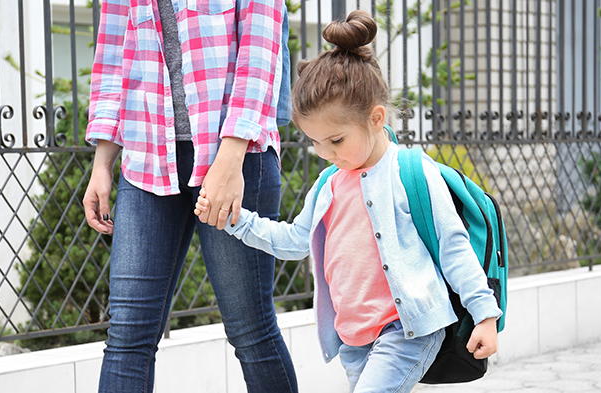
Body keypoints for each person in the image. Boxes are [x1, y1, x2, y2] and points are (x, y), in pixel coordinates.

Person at [195, 10, 502, 393]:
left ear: (375, 118)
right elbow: (294, 240)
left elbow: (453, 246)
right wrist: (236, 220)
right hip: (354, 339)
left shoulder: (410, 170)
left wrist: (485, 313)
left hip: (407, 331)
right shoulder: (329, 183)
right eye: (314, 142)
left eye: (336, 140)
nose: (325, 153)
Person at [81, 1, 297, 392]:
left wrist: (230, 158)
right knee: (127, 335)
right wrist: (102, 162)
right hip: (147, 155)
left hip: (236, 155)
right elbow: (113, 56)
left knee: (250, 328)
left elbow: (259, 50)